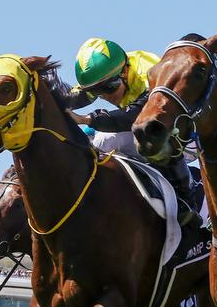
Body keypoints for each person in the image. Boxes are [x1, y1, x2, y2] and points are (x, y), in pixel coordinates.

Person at [51, 38, 201, 227]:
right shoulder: (110, 73)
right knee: (90, 140)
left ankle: (187, 200)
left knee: (109, 140)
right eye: (97, 91)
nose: (105, 95)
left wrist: (86, 119)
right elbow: (74, 97)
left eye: (109, 88)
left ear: (125, 71)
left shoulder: (147, 72)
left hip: (185, 136)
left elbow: (134, 115)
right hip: (144, 129)